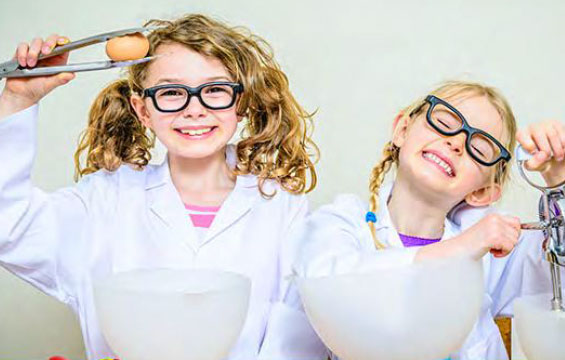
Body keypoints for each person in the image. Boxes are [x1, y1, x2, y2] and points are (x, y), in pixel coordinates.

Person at [0, 14, 326, 360]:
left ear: (241, 103)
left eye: (215, 89)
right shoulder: (105, 202)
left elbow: (297, 340)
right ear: (143, 110)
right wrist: (18, 101)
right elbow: (9, 226)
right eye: (171, 92)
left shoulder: (282, 210)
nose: (194, 109)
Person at [294, 80, 565, 359]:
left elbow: (559, 283)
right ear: (402, 130)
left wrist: (558, 180)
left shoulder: (493, 249)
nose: (456, 142)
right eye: (444, 122)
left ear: (483, 192)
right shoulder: (340, 222)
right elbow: (330, 288)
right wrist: (462, 249)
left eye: (480, 149)